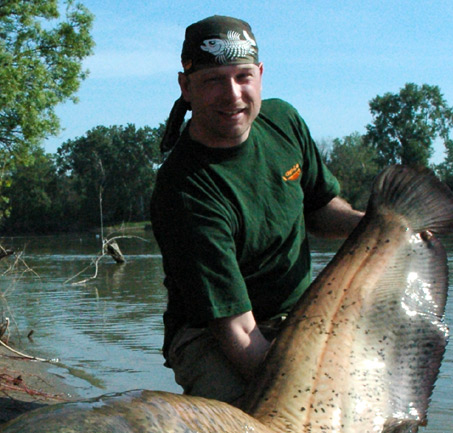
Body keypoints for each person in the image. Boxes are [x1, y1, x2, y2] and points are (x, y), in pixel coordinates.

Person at [151, 15, 363, 405]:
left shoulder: (283, 121)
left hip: (302, 313)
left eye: (243, 76)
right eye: (213, 80)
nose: (232, 94)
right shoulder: (183, 188)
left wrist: (371, 227)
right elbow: (236, 329)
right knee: (253, 424)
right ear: (186, 86)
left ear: (261, 74)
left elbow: (320, 208)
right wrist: (294, 399)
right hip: (213, 332)